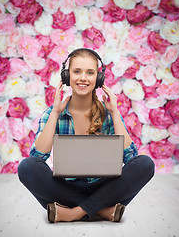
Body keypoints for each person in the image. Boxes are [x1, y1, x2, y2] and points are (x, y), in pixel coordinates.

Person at [18, 48, 155, 223]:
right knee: (26, 167)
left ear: (98, 78)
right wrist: (55, 114)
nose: (83, 78)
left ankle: (73, 213)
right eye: (77, 72)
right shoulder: (54, 113)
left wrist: (114, 113)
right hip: (65, 188)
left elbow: (130, 158)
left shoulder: (109, 113)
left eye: (90, 73)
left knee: (145, 164)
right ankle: (102, 210)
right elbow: (37, 157)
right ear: (67, 76)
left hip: (105, 187)